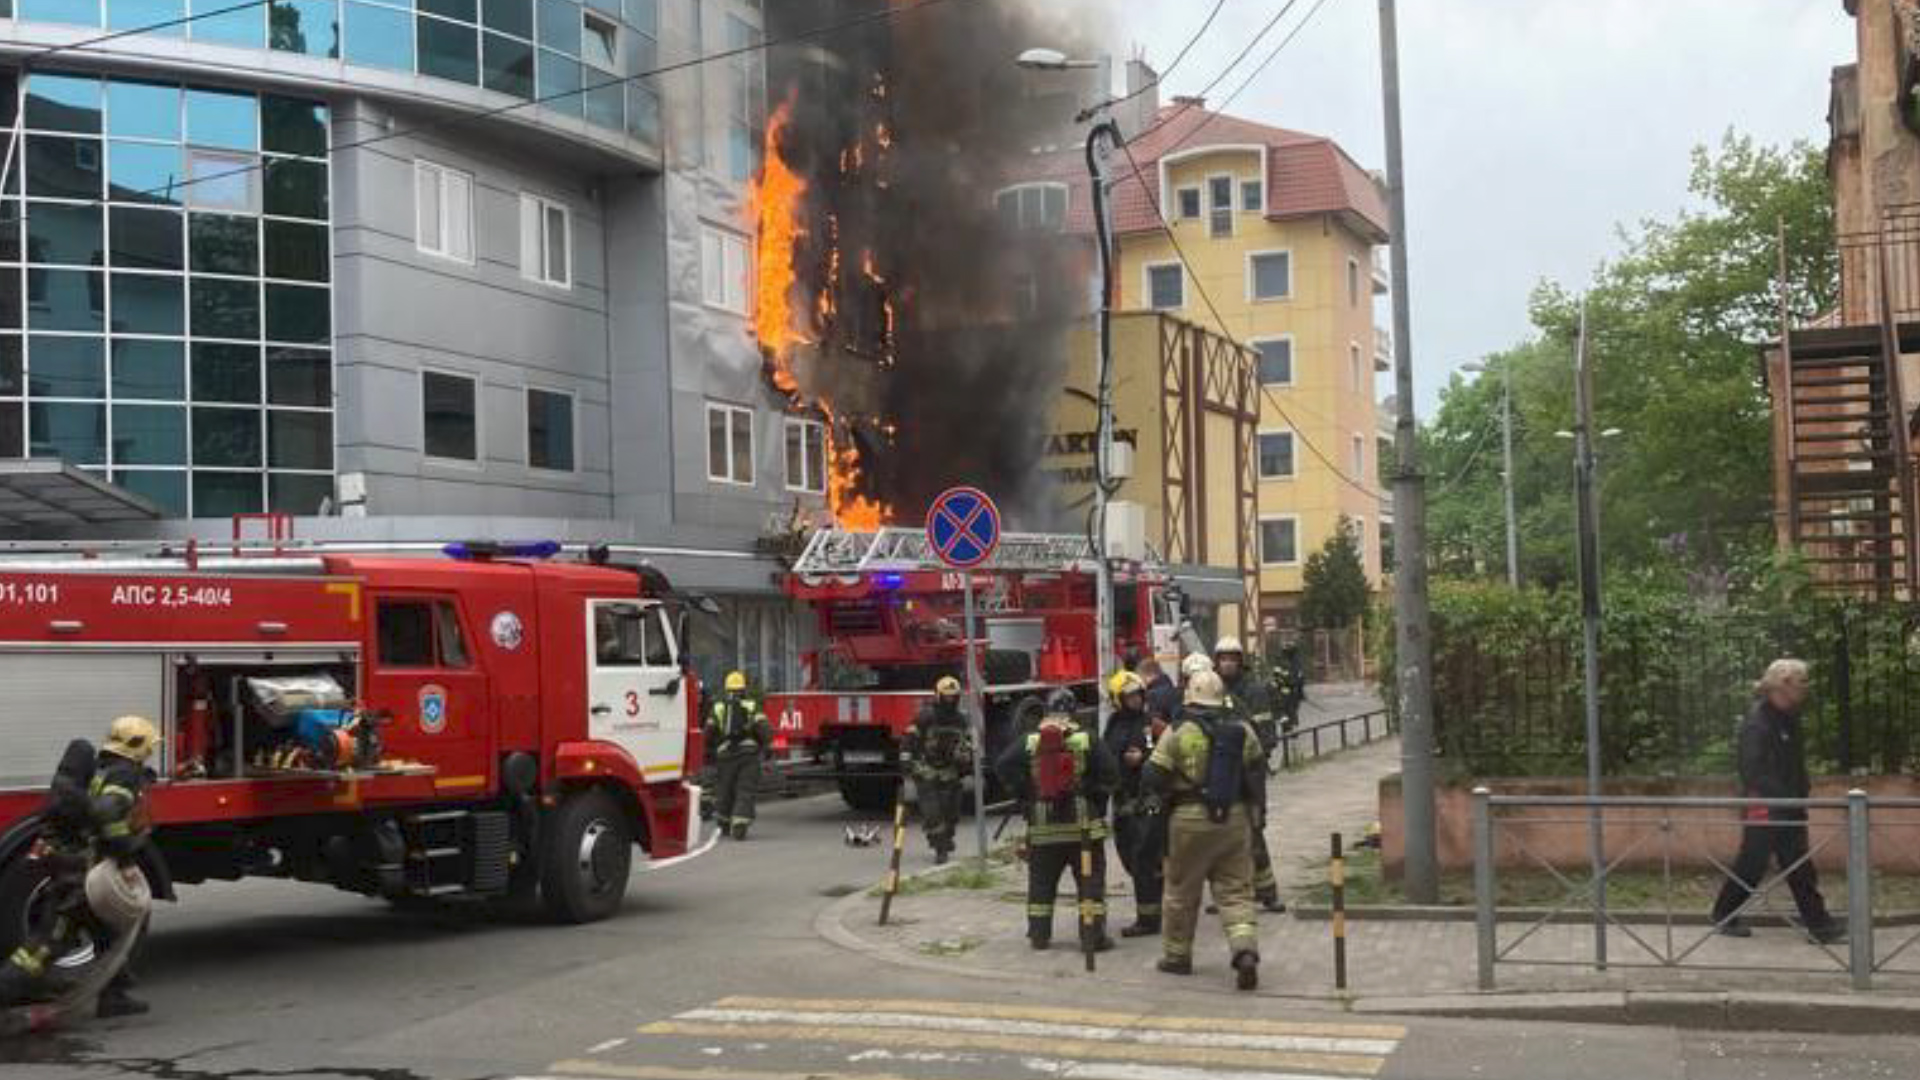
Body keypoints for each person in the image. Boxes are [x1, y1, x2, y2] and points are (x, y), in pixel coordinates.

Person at [0, 715, 159, 1019]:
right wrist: (124, 856)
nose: (150, 753)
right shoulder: (124, 775)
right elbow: (109, 817)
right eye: (148, 747)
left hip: (77, 866)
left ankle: (115, 995)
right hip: (79, 871)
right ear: (137, 746)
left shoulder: (103, 770)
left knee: (109, 932)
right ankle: (6, 989)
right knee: (47, 943)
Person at [1710, 659, 1846, 944]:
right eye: (1801, 682)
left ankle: (1820, 926)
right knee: (1753, 863)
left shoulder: (1788, 717)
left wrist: (1801, 790)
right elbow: (1752, 770)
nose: (1805, 689)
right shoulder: (1758, 722)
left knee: (1798, 865)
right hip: (1765, 805)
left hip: (1788, 805)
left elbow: (1793, 762)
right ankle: (1724, 914)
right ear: (1783, 686)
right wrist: (1785, 796)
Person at [1145, 669, 1263, 990]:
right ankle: (1244, 950)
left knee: (1181, 892)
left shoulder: (1178, 731)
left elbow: (1152, 776)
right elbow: (1257, 767)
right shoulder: (1242, 729)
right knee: (1236, 891)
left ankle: (1177, 957)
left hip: (1188, 821)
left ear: (1190, 697)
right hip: (1234, 819)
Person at [995, 689, 1119, 953]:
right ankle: (1092, 937)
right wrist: (1095, 799)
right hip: (1083, 827)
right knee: (1090, 882)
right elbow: (1111, 774)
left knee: (1041, 882)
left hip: (1042, 824)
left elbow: (1003, 764)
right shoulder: (1087, 739)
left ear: (1048, 710)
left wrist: (1027, 794)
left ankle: (1039, 935)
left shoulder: (1031, 739)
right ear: (1074, 710)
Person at [1214, 636, 1285, 913]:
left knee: (1253, 830)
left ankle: (1267, 892)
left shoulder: (1254, 691)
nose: (1228, 663)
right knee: (1221, 834)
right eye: (1223, 658)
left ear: (1240, 661)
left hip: (1249, 773)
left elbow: (1266, 733)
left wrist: (1256, 757)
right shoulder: (1213, 690)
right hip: (1222, 772)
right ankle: (1229, 894)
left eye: (1232, 658)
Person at [1103, 670, 1164, 937]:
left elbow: (1168, 754)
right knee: (1130, 859)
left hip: (1147, 804)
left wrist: (1145, 757)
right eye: (1129, 697)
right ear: (1118, 699)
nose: (1136, 700)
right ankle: (1155, 903)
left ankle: (1149, 920)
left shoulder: (1152, 724)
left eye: (1138, 695)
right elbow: (1105, 759)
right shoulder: (1113, 725)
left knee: (1143, 861)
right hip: (1122, 805)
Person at [903, 676, 972, 865]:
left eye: (953, 696)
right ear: (938, 695)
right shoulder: (925, 716)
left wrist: (968, 762)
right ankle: (939, 848)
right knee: (932, 813)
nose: (950, 700)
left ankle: (947, 837)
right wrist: (906, 759)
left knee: (952, 812)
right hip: (926, 769)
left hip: (950, 770)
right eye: (946, 696)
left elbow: (967, 743)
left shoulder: (961, 719)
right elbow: (909, 738)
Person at [704, 671, 772, 841]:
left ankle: (723, 821)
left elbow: (708, 733)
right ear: (743, 688)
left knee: (724, 789)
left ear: (727, 688)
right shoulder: (751, 705)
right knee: (745, 789)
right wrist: (765, 746)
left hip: (725, 755)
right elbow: (764, 729)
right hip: (748, 755)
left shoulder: (718, 707)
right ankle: (740, 823)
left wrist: (711, 751)